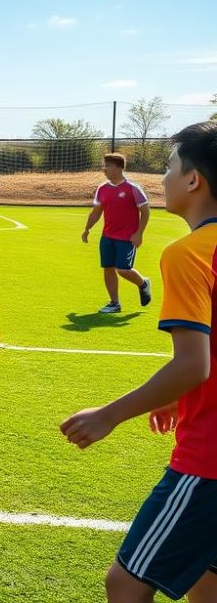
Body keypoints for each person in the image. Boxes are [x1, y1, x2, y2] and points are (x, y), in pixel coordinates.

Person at [61, 122, 217, 602]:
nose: (162, 178)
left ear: (193, 181)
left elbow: (194, 365)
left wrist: (109, 414)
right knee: (205, 583)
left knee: (126, 583)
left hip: (208, 461)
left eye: (169, 167)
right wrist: (177, 395)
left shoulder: (189, 253)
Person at [82, 153, 152, 313]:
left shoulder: (133, 189)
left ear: (118, 167)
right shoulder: (102, 189)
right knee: (108, 268)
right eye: (103, 166)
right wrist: (87, 229)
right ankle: (114, 303)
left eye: (107, 166)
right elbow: (96, 212)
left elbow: (145, 212)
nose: (104, 169)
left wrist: (139, 233)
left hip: (127, 238)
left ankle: (143, 283)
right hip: (107, 237)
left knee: (123, 269)